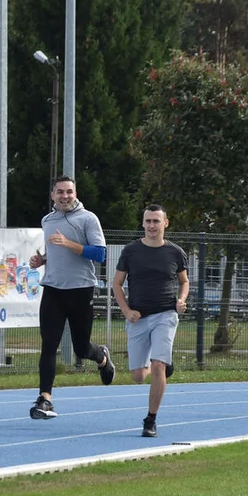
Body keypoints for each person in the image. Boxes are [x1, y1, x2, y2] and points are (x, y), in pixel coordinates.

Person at [28, 175, 115, 419]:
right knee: (48, 346)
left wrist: (70, 244)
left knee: (81, 349)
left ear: (75, 194)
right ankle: (45, 399)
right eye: (60, 192)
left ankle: (102, 357)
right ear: (52, 195)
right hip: (53, 290)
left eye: (69, 192)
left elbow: (99, 254)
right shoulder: (47, 220)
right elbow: (54, 251)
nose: (65, 196)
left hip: (81, 290)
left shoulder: (88, 219)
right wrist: (42, 260)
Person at [112, 204, 189, 438]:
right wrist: (126, 311)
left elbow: (184, 281)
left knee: (157, 366)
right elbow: (116, 284)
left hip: (165, 314)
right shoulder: (131, 251)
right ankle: (163, 367)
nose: (151, 226)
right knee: (137, 376)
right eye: (148, 221)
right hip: (138, 317)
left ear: (165, 223)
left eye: (156, 221)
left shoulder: (175, 252)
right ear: (143, 223)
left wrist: (181, 300)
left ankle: (150, 419)